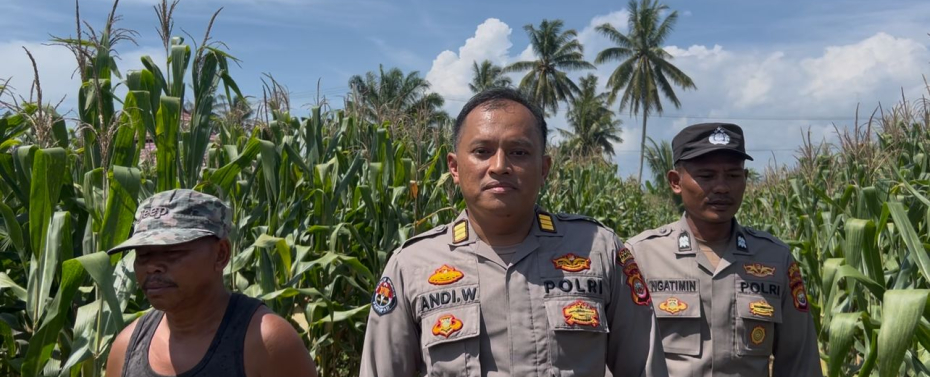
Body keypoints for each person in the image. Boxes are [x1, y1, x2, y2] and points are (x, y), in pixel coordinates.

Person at [359, 88, 668, 377]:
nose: (499, 166)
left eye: (519, 153)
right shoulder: (412, 265)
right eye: (482, 151)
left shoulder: (599, 250)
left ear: (544, 167)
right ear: (454, 167)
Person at [625, 123, 823, 377]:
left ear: (745, 179)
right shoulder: (642, 256)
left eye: (732, 175)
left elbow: (800, 364)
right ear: (676, 182)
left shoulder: (775, 259)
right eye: (706, 176)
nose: (722, 187)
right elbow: (618, 358)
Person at [105, 189, 318, 377]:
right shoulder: (127, 347)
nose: (152, 267)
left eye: (171, 252)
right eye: (143, 255)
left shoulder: (264, 343)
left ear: (221, 255)